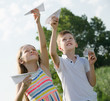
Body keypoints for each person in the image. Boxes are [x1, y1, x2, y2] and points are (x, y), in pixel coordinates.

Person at [14, 9, 62, 101]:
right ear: (21, 60)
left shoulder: (43, 68)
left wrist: (38, 23)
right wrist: (23, 88)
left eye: (33, 49)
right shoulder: (22, 80)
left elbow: (43, 46)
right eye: (27, 51)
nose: (32, 51)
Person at [49, 16, 97, 101]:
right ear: (60, 48)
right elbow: (52, 53)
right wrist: (54, 29)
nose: (68, 40)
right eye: (64, 39)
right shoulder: (60, 62)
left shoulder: (84, 61)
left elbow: (92, 83)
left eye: (70, 38)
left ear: (76, 44)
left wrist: (91, 65)